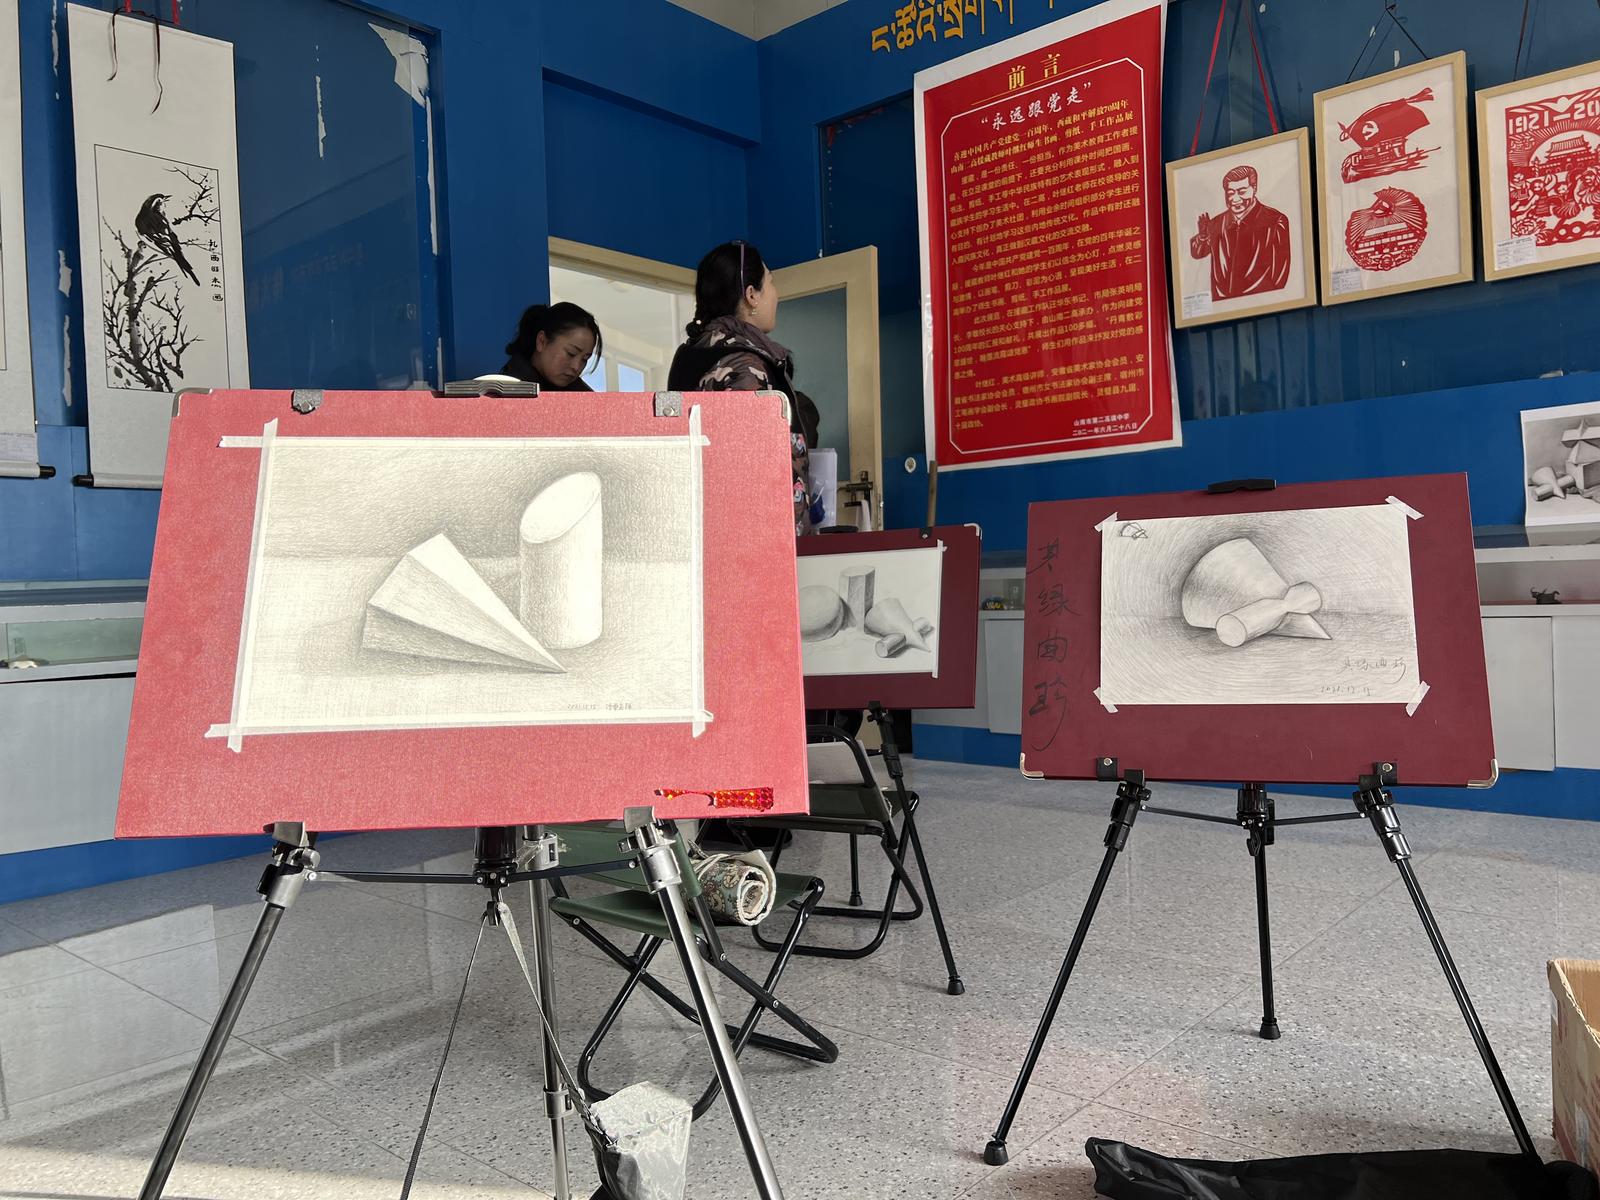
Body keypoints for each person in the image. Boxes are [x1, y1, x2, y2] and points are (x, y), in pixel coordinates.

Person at [667, 240, 821, 534]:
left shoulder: (693, 355)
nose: (776, 294)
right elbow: (750, 468)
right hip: (756, 538)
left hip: (706, 531)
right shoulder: (744, 365)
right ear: (752, 295)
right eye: (771, 282)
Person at [1189, 164, 1292, 301]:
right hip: (1222, 303)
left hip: (1260, 302)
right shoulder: (1216, 223)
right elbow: (1197, 253)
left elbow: (1281, 270)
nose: (1235, 199)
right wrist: (1203, 236)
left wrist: (1270, 299)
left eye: (1242, 191)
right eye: (1230, 193)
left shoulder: (1275, 221)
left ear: (1254, 189)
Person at [501, 302, 602, 390]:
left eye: (585, 359)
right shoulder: (505, 392)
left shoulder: (585, 397)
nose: (576, 367)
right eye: (571, 353)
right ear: (542, 341)